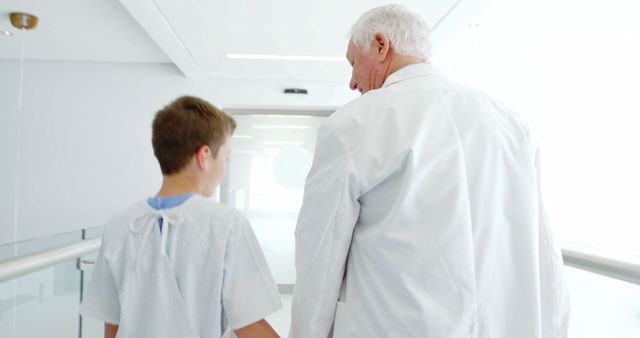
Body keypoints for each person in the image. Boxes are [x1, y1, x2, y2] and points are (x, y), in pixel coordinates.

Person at [290, 4, 570, 338]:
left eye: (353, 62)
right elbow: (547, 257)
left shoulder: (352, 125)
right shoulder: (511, 125)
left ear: (381, 45)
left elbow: (319, 262)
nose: (352, 82)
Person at [79, 96, 282, 338]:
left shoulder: (119, 226)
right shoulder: (226, 224)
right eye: (226, 158)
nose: (224, 167)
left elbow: (112, 326)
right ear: (204, 156)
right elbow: (249, 326)